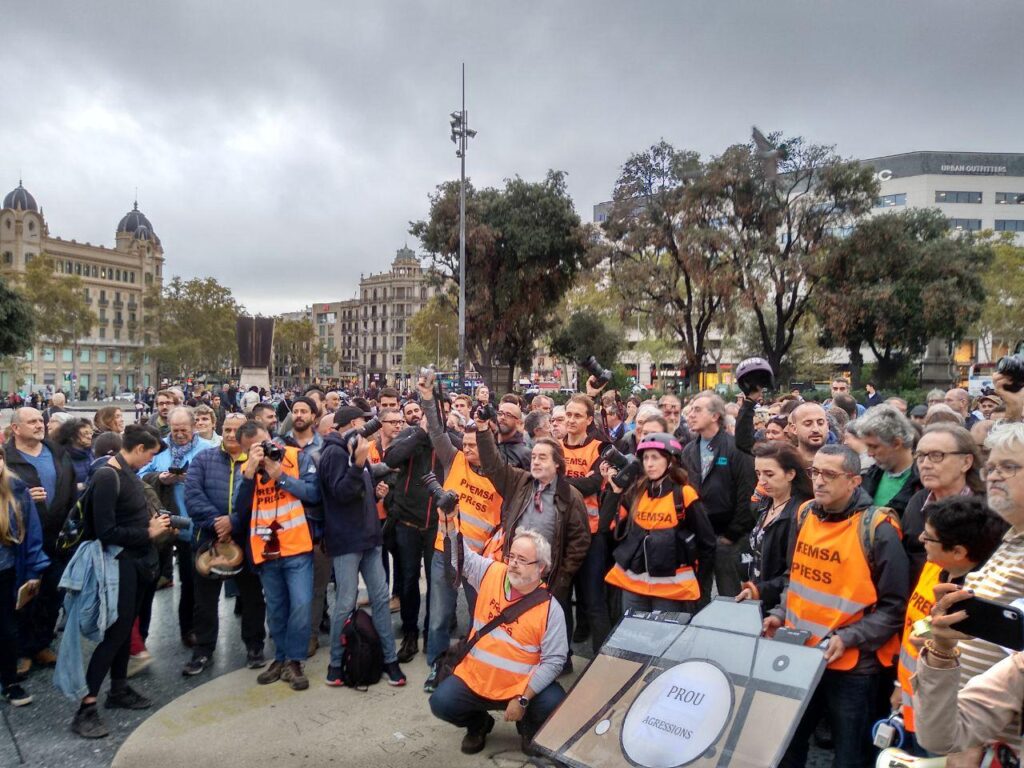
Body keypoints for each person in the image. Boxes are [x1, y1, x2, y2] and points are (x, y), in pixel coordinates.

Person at [765, 444, 909, 768]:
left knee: (850, 757)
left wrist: (848, 637)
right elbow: (795, 578)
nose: (818, 481)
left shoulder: (878, 529)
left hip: (853, 667)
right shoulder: (804, 514)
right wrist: (779, 614)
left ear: (854, 481)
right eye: (815, 472)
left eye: (829, 474)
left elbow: (894, 607)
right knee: (786, 748)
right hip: (800, 654)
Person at [66, 425, 172, 738]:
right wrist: (148, 532)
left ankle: (119, 688)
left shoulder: (128, 473)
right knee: (114, 635)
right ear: (138, 449)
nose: (151, 460)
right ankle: (86, 707)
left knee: (125, 630)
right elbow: (106, 531)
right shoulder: (107, 476)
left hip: (136, 564)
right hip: (119, 566)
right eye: (150, 454)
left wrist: (151, 526)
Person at [429, 527, 568, 757]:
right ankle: (479, 724)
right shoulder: (491, 573)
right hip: (476, 680)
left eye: (522, 560)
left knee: (554, 702)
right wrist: (450, 525)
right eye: (511, 556)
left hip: (519, 688)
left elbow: (554, 661)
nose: (513, 564)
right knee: (441, 703)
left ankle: (528, 728)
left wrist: (523, 699)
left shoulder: (551, 610)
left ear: (541, 568)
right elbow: (460, 558)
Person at [891, 496, 1006, 755]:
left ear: (958, 552)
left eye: (929, 537)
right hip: (912, 703)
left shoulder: (980, 604)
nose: (920, 539)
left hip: (946, 724)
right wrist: (900, 687)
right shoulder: (935, 567)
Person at [477, 415, 589, 659]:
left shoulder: (570, 496)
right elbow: (493, 465)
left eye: (543, 458)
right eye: (534, 457)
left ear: (557, 463)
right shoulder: (520, 482)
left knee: (552, 621)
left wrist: (562, 577)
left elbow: (579, 542)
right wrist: (484, 430)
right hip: (516, 568)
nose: (535, 462)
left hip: (549, 576)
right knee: (517, 620)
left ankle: (560, 661)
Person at [418, 378, 503, 692]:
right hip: (445, 552)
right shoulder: (453, 460)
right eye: (464, 444)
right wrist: (428, 399)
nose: (466, 449)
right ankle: (437, 666)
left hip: (478, 560)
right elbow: (436, 431)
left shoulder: (501, 476)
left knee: (480, 616)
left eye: (473, 445)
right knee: (439, 617)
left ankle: (473, 665)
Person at [319, 407, 406, 687]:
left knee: (380, 598)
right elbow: (341, 493)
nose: (367, 429)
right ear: (353, 423)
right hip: (347, 540)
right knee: (346, 602)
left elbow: (358, 489)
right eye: (363, 423)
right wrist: (357, 465)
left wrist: (374, 490)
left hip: (369, 536)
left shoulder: (355, 448)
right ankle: (336, 664)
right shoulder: (333, 453)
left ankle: (389, 659)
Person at [234, 421, 321, 691]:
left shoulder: (296, 457)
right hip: (266, 550)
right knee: (276, 610)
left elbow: (313, 493)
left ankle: (294, 660)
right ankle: (281, 658)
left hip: (297, 546)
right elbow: (240, 510)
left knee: (301, 605)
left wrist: (280, 476)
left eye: (264, 444)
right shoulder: (245, 469)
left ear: (271, 437)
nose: (262, 451)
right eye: (253, 449)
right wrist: (249, 475)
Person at [181, 413, 267, 675]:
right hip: (209, 539)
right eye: (227, 429)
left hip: (245, 538)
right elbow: (192, 495)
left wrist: (234, 522)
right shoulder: (203, 459)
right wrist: (218, 523)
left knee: (252, 597)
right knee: (204, 601)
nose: (230, 435)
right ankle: (203, 650)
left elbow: (261, 499)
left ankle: (254, 646)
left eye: (236, 430)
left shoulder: (258, 462)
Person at [601, 432, 715, 612]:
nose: (649, 463)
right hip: (634, 586)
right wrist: (614, 492)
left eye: (655, 457)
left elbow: (707, 544)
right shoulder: (637, 492)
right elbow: (605, 526)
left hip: (671, 590)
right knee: (633, 628)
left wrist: (701, 586)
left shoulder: (684, 494)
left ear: (670, 461)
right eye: (646, 458)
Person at [6, 407, 76, 677]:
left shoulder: (57, 452)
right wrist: (22, 497)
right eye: (32, 421)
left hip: (58, 538)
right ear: (15, 429)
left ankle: (41, 644)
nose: (39, 425)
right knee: (23, 598)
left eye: (40, 420)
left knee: (53, 594)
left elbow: (71, 489)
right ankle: (20, 651)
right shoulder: (7, 458)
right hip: (22, 541)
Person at [139, 407, 214, 645]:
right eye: (175, 430)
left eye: (184, 430)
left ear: (194, 427)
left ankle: (189, 629)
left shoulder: (208, 449)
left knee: (191, 581)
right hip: (160, 522)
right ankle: (140, 638)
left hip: (191, 524)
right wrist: (160, 478)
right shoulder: (158, 448)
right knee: (149, 581)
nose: (179, 434)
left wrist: (192, 478)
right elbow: (139, 474)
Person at [682, 391, 756, 603]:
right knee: (697, 596)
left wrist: (732, 534)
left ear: (715, 416)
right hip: (699, 537)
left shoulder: (735, 448)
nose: (691, 415)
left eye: (697, 410)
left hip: (728, 538)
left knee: (730, 597)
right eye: (691, 410)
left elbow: (747, 494)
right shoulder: (689, 450)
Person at [384, 400, 440, 664]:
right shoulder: (409, 434)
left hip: (437, 524)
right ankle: (409, 632)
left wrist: (440, 433)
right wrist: (421, 433)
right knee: (408, 581)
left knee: (436, 582)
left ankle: (430, 633)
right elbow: (391, 458)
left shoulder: (448, 439)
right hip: (407, 522)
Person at [561, 393, 611, 654]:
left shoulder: (599, 448)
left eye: (577, 415)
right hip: (561, 535)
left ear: (589, 420)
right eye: (568, 414)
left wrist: (560, 482)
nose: (571, 420)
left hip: (591, 534)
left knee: (593, 601)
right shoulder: (555, 446)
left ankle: (603, 661)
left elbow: (592, 484)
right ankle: (562, 658)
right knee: (559, 601)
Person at [737, 442, 813, 613]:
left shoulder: (801, 512)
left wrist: (759, 591)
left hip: (781, 606)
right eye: (758, 473)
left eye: (769, 474)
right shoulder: (766, 503)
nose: (761, 481)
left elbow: (795, 572)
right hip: (758, 599)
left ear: (790, 474)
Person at [902, 424, 984, 582]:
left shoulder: (987, 510)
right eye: (920, 456)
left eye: (937, 455)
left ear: (966, 462)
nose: (925, 464)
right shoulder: (917, 501)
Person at [0, 444, 49, 706]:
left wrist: (33, 570)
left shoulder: (16, 489)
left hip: (7, 571)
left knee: (8, 630)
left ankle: (9, 682)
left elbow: (32, 533)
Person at [856, 405, 922, 517]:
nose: (869, 453)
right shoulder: (870, 474)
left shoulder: (923, 482)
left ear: (896, 443)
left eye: (874, 446)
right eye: (867, 446)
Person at [54, 418, 96, 493]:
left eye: (91, 433)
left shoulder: (91, 453)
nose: (89, 437)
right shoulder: (62, 457)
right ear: (72, 437)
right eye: (85, 433)